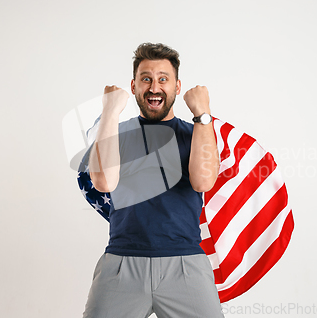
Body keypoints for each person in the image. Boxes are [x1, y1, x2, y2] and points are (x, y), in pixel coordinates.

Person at [81, 43, 224, 318]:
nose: (154, 87)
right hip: (121, 265)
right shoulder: (117, 134)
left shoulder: (194, 133)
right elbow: (103, 182)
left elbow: (203, 181)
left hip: (185, 266)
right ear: (134, 86)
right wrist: (110, 111)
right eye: (146, 78)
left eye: (163, 79)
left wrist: (203, 112)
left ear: (177, 86)